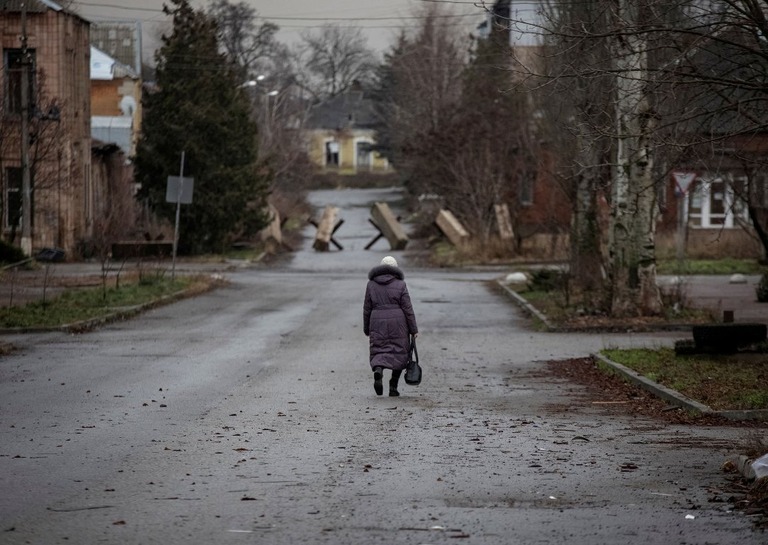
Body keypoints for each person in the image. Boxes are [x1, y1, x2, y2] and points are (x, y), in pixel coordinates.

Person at [363, 256, 419, 396]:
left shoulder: (371, 284)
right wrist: (413, 329)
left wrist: (366, 328)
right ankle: (393, 387)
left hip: (377, 321)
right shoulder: (400, 284)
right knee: (399, 352)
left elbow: (367, 308)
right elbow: (408, 308)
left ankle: (378, 370)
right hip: (398, 323)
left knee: (379, 350)